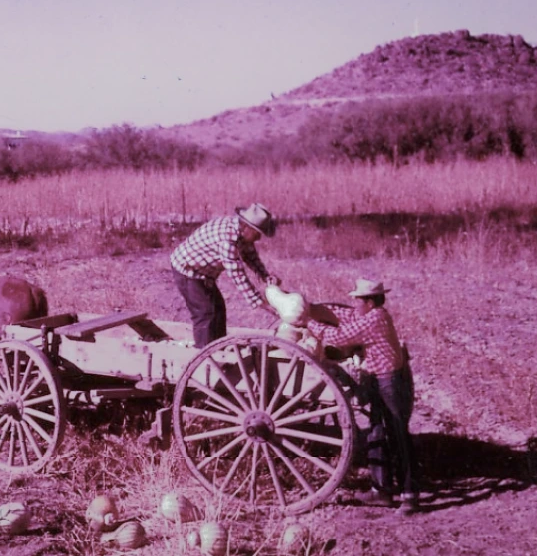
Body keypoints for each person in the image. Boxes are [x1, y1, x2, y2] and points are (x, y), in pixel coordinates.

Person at [304, 278, 420, 514]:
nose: (354, 303)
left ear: (369, 302)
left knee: (398, 435)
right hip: (379, 379)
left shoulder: (376, 320)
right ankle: (381, 491)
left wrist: (309, 322)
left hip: (390, 381)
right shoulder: (370, 314)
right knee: (377, 430)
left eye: (358, 299)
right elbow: (345, 316)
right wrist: (313, 308)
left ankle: (410, 496)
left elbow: (340, 337)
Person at [169, 202, 280, 348]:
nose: (258, 238)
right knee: (205, 313)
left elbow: (251, 256)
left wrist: (265, 276)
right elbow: (238, 277)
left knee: (219, 309)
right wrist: (263, 304)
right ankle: (205, 355)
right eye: (258, 233)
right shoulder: (226, 239)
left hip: (204, 274)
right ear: (247, 227)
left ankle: (218, 348)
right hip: (187, 270)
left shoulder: (241, 232)